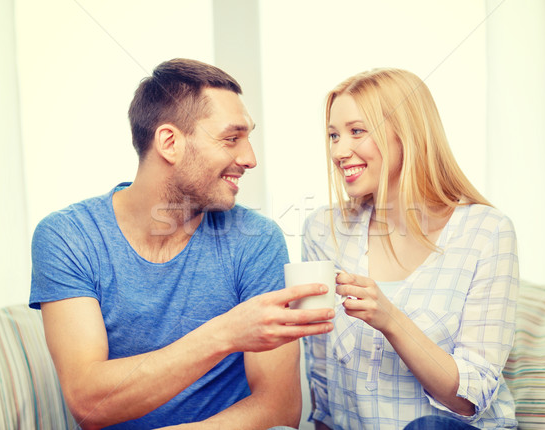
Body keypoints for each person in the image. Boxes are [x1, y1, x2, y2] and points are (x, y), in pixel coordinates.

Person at [30, 58, 335, 430]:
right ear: (170, 142)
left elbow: (278, 408)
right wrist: (225, 333)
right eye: (231, 138)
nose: (250, 158)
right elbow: (89, 401)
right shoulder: (68, 237)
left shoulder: (256, 240)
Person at [302, 68, 519, 429]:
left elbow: (470, 399)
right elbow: (323, 377)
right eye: (333, 135)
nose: (339, 151)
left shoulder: (486, 231)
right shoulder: (324, 230)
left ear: (408, 134)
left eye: (357, 131)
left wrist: (391, 320)